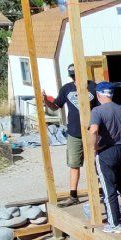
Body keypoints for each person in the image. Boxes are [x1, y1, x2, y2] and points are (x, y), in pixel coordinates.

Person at [42, 64, 96, 207]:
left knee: (96, 164)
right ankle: (73, 196)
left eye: (76, 75)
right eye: (72, 76)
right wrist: (47, 102)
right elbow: (56, 106)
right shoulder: (66, 88)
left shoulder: (93, 87)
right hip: (74, 133)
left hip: (92, 132)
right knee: (74, 164)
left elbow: (101, 109)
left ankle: (99, 191)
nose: (75, 78)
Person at [88, 82, 121, 233]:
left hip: (106, 151)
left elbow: (94, 130)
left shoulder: (97, 110)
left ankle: (115, 223)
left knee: (110, 190)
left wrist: (94, 147)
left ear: (99, 95)